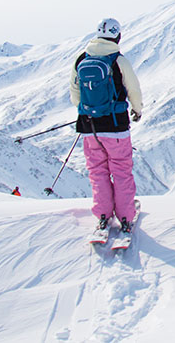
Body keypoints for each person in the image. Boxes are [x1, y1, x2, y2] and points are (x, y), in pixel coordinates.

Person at [70, 17, 143, 237]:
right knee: (120, 171)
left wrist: (90, 110)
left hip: (89, 127)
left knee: (97, 171)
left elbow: (75, 93)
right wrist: (137, 110)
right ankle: (125, 217)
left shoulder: (81, 58)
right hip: (115, 125)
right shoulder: (118, 61)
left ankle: (102, 214)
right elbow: (134, 90)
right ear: (117, 36)